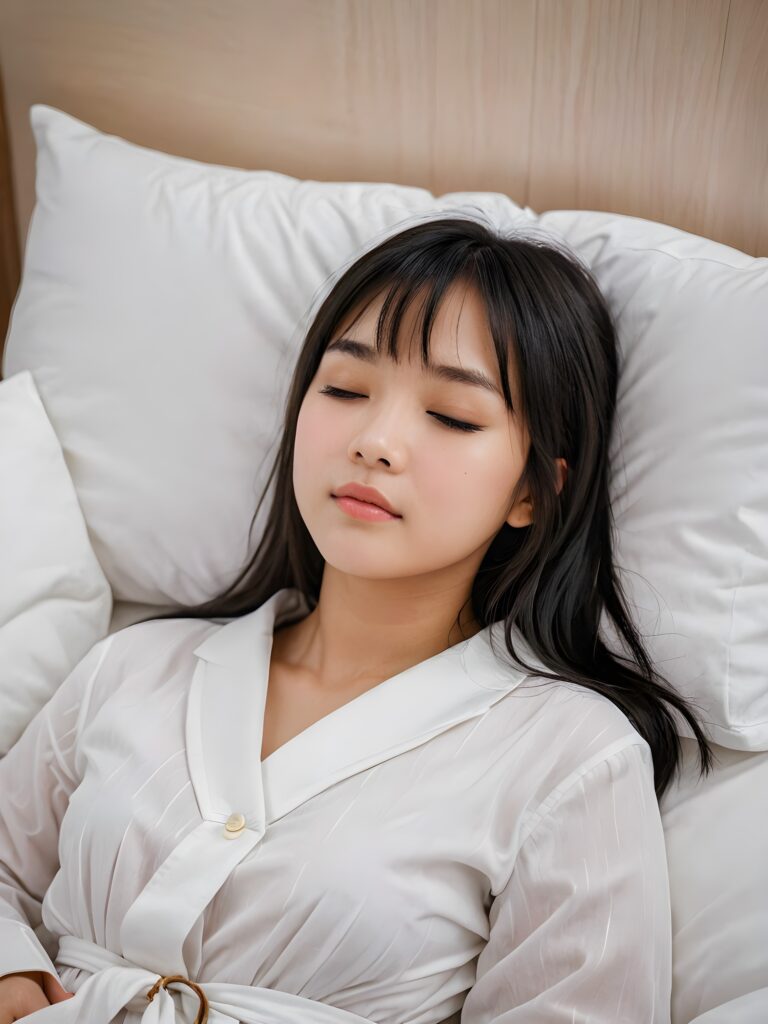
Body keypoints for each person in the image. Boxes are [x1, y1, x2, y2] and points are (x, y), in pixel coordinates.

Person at [0, 214, 715, 1023]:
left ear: (532, 491)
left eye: (451, 416)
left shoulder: (574, 759)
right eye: (344, 390)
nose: (375, 441)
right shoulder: (133, 666)